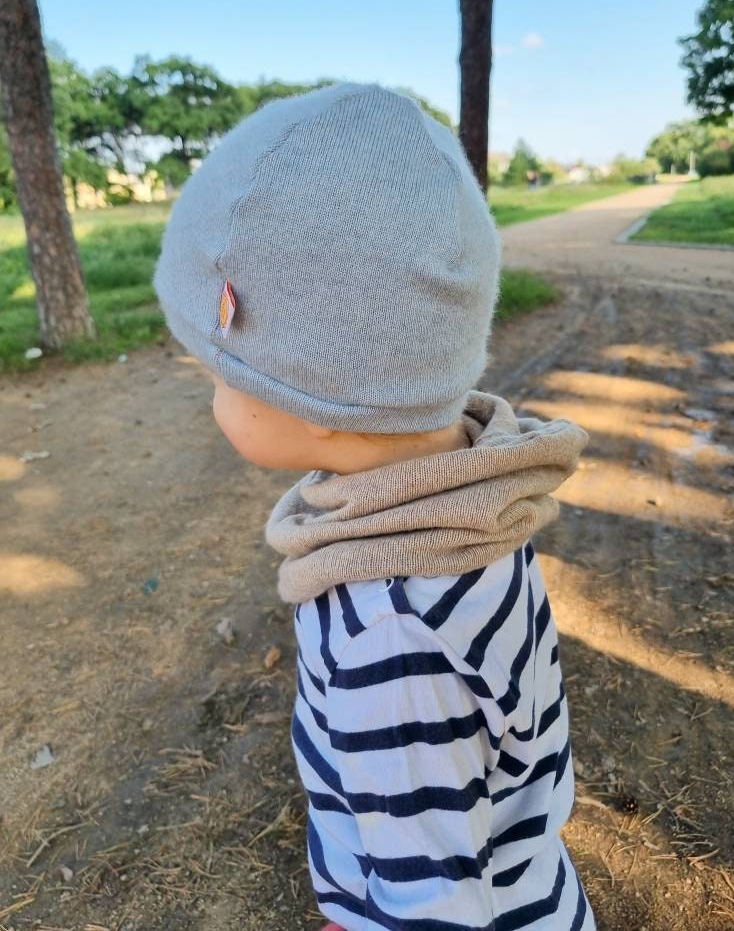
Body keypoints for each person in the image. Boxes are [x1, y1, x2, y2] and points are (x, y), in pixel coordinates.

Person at [152, 82, 595, 931]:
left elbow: (436, 907)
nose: (210, 398)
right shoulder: (472, 499)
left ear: (317, 398)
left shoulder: (389, 634)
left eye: (217, 374)